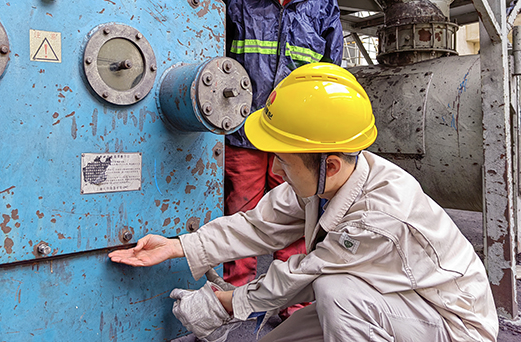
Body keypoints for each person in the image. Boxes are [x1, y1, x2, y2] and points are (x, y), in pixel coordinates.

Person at [109, 63, 498, 342]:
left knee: (335, 293)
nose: (275, 167)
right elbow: (258, 224)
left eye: (284, 159)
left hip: (451, 325)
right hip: (395, 302)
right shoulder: (331, 177)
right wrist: (179, 245)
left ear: (327, 163)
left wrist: (224, 304)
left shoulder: (381, 214)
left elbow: (304, 273)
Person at [223, 0, 343, 306]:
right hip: (242, 127)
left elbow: (332, 69)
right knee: (241, 211)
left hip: (292, 134)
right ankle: (233, 298)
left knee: (293, 217)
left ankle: (289, 303)